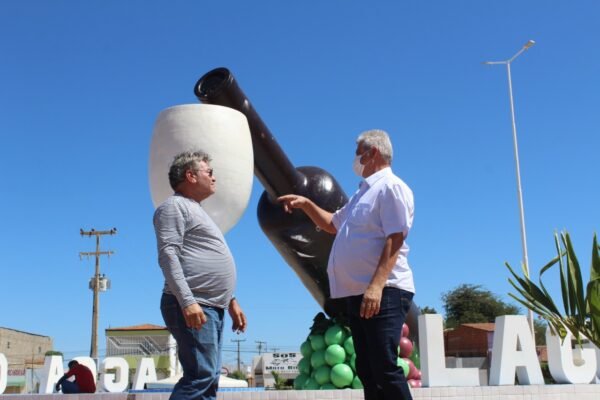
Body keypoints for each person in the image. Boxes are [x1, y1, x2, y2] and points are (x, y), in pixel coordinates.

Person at [278, 129, 415, 400]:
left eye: (358, 152)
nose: (355, 159)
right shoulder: (361, 195)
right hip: (358, 294)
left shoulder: (391, 187)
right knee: (367, 368)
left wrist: (375, 287)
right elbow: (332, 224)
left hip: (384, 291)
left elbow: (395, 237)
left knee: (384, 367)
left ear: (372, 153)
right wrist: (305, 204)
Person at [154, 150, 247, 400]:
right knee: (200, 377)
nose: (214, 178)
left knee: (208, 380)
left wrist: (231, 301)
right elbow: (168, 256)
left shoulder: (196, 210)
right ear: (191, 176)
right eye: (209, 172)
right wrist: (187, 301)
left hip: (210, 306)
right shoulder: (173, 207)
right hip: (193, 304)